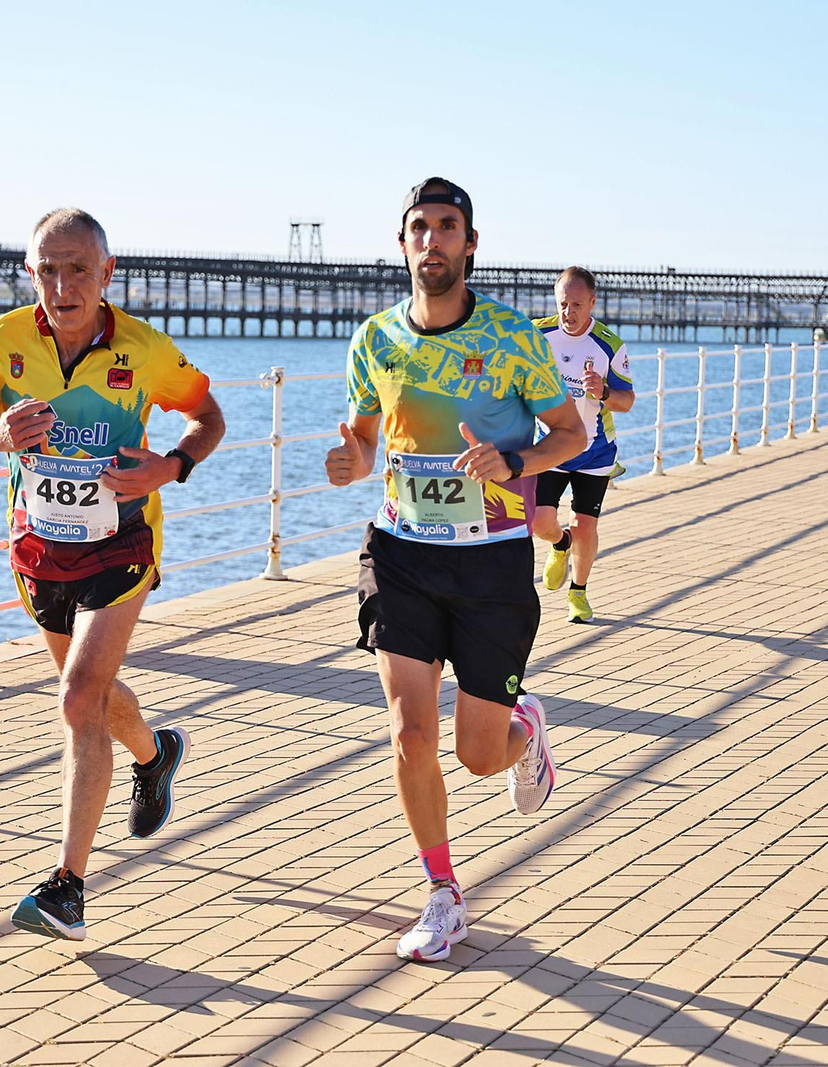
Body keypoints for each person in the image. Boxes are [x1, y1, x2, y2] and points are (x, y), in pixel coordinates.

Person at [0, 209, 226, 941]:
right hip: (39, 550)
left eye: (78, 269)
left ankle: (68, 887)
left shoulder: (143, 348)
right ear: (31, 273)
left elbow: (209, 417)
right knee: (88, 697)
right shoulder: (2, 343)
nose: (63, 285)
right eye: (48, 269)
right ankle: (155, 755)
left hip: (122, 543)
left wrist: (170, 467)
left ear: (107, 272)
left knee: (75, 698)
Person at [324, 178, 587, 963]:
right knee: (409, 728)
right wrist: (351, 461)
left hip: (490, 560)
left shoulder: (511, 337)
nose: (432, 241)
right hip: (401, 551)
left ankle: (526, 728)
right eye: (419, 228)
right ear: (402, 243)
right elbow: (367, 441)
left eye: (447, 228)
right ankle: (443, 893)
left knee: (477, 753)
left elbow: (569, 433)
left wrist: (514, 458)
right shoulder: (375, 339)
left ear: (470, 244)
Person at [530, 267, 636, 623]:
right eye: (563, 303)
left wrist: (603, 392)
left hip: (595, 450)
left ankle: (578, 593)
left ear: (592, 302)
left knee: (586, 525)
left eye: (577, 304)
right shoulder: (537, 334)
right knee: (538, 520)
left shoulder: (609, 345)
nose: (568, 312)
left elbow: (627, 401)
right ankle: (560, 544)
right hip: (551, 445)